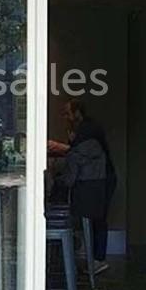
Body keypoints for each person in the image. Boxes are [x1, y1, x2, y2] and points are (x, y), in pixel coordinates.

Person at [53, 99, 116, 271]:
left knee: (98, 217)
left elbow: (76, 153)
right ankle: (95, 259)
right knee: (97, 217)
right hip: (99, 176)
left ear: (77, 113)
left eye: (68, 113)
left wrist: (59, 147)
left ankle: (98, 260)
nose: (65, 117)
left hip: (99, 178)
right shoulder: (87, 128)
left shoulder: (87, 130)